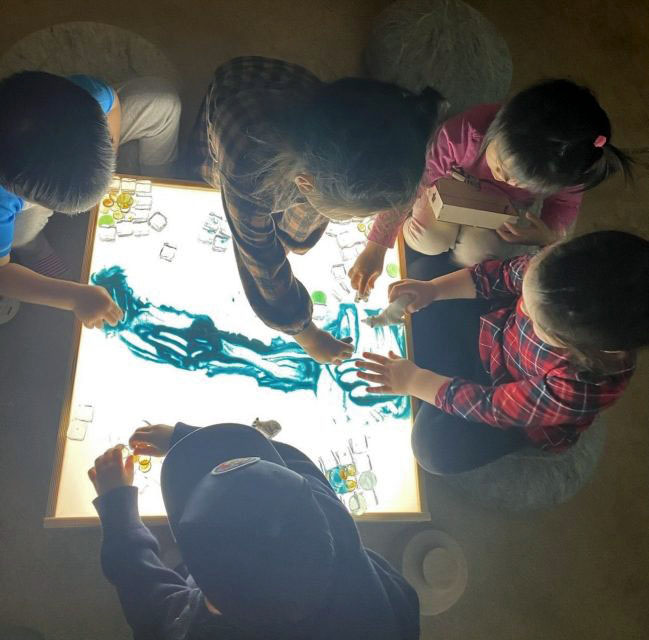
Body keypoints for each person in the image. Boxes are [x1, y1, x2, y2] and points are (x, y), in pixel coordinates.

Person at [185, 56, 445, 364]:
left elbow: (400, 187)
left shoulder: (398, 136)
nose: (354, 220)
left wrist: (378, 243)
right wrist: (305, 333)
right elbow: (257, 254)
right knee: (229, 196)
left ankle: (308, 227)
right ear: (305, 184)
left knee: (299, 236)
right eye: (350, 216)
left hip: (301, 102)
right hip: (239, 100)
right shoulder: (246, 162)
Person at [88, 422, 420, 639]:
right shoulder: (328, 515)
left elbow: (142, 589)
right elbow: (288, 461)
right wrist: (184, 438)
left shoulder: (191, 628)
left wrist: (118, 508)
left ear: (212, 604)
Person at [355, 231, 648, 474]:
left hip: (513, 405)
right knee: (425, 275)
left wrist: (415, 382)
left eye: (535, 322)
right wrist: (432, 290)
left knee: (435, 450)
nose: (524, 312)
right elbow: (497, 278)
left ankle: (439, 386)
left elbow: (493, 406)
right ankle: (442, 385)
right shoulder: (553, 272)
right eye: (524, 302)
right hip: (492, 339)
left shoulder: (583, 387)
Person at [350, 79, 633, 297]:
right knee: (426, 240)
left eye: (521, 182)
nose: (506, 180)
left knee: (477, 257)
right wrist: (377, 244)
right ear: (497, 128)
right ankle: (437, 237)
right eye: (500, 166)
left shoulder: (567, 170)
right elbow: (417, 180)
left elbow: (565, 206)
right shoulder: (465, 133)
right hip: (447, 190)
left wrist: (547, 233)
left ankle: (462, 246)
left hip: (497, 211)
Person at [0, 71, 180, 325]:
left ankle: (160, 179)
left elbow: (113, 103)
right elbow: (2, 273)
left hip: (78, 139)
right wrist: (73, 296)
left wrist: (107, 161)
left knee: (162, 102)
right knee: (21, 236)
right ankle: (36, 253)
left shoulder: (85, 97)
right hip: (16, 183)